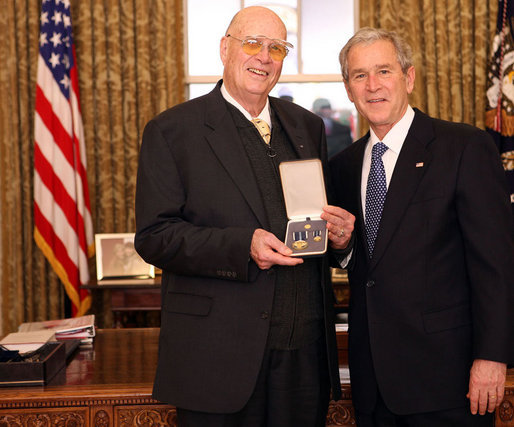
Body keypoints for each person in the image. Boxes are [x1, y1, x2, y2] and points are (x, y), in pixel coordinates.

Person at [134, 6, 354, 426]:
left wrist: (340, 238)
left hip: (304, 357)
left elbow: (313, 220)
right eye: (252, 43)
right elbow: (154, 236)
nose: (264, 57)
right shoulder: (173, 131)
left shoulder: (307, 126)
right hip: (218, 360)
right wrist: (242, 246)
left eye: (277, 48)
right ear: (224, 48)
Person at [329, 27, 514, 426]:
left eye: (384, 71)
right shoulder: (342, 166)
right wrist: (342, 246)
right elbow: (361, 260)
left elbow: (496, 264)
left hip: (448, 381)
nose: (373, 85)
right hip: (372, 382)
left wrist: (492, 356)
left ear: (408, 78)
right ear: (348, 88)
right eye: (360, 75)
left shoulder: (464, 148)